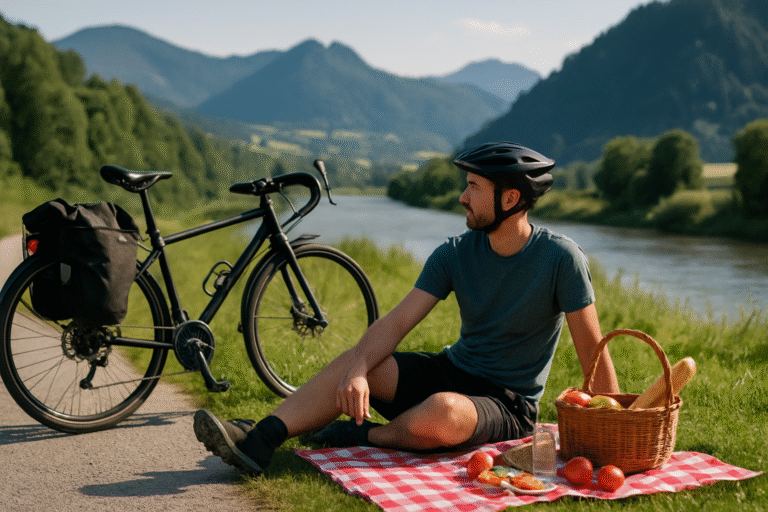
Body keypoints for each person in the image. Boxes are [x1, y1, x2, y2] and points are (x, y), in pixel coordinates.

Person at [193, 141, 620, 476]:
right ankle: (259, 437)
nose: (461, 197)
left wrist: (617, 427)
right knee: (362, 362)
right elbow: (397, 321)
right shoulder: (454, 253)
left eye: (473, 187)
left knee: (444, 412)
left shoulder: (561, 259)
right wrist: (359, 367)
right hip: (453, 371)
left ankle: (366, 435)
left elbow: (593, 352)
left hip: (507, 404)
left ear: (510, 199)